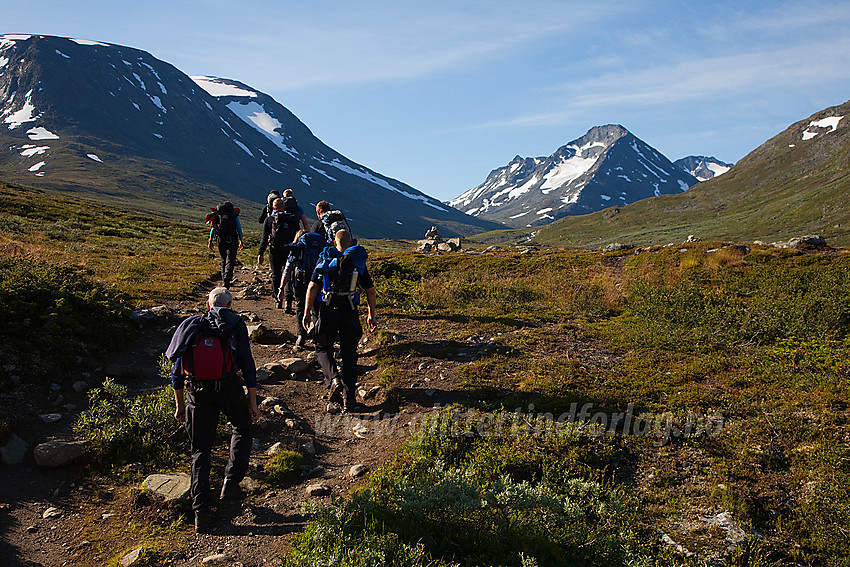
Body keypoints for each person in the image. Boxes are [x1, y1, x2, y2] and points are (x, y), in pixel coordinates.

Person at [165, 287, 260, 534]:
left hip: (196, 393)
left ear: (207, 306)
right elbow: (248, 364)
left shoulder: (191, 327)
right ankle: (231, 482)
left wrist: (180, 407)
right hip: (227, 388)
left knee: (200, 451)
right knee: (242, 427)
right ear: (229, 306)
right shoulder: (234, 324)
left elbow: (176, 372)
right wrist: (252, 402)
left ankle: (201, 514)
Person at [303, 229, 377, 413]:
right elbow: (370, 290)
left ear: (335, 243)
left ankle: (334, 380)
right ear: (351, 243)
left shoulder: (325, 259)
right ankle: (349, 398)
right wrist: (371, 314)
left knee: (322, 348)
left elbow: (312, 286)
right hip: (349, 311)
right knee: (350, 354)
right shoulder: (357, 262)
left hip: (327, 310)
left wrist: (307, 312)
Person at [280, 229, 326, 348]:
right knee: (317, 308)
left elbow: (287, 268)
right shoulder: (319, 246)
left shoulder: (298, 248)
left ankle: (301, 335)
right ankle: (318, 337)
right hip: (318, 282)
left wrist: (281, 288)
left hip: (300, 281)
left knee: (300, 306)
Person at [258, 198, 300, 310]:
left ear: (273, 207)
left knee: (275, 274)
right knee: (288, 275)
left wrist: (260, 253)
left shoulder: (269, 219)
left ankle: (278, 299)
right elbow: (298, 235)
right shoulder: (292, 218)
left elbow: (264, 237)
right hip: (289, 250)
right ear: (284, 207)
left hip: (274, 249)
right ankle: (288, 301)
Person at [207, 201, 244, 288]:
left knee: (224, 258)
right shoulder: (233, 214)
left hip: (220, 239)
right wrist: (241, 240)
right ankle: (228, 276)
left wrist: (210, 240)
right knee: (231, 259)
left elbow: (213, 229)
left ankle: (224, 278)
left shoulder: (217, 215)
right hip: (232, 239)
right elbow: (238, 227)